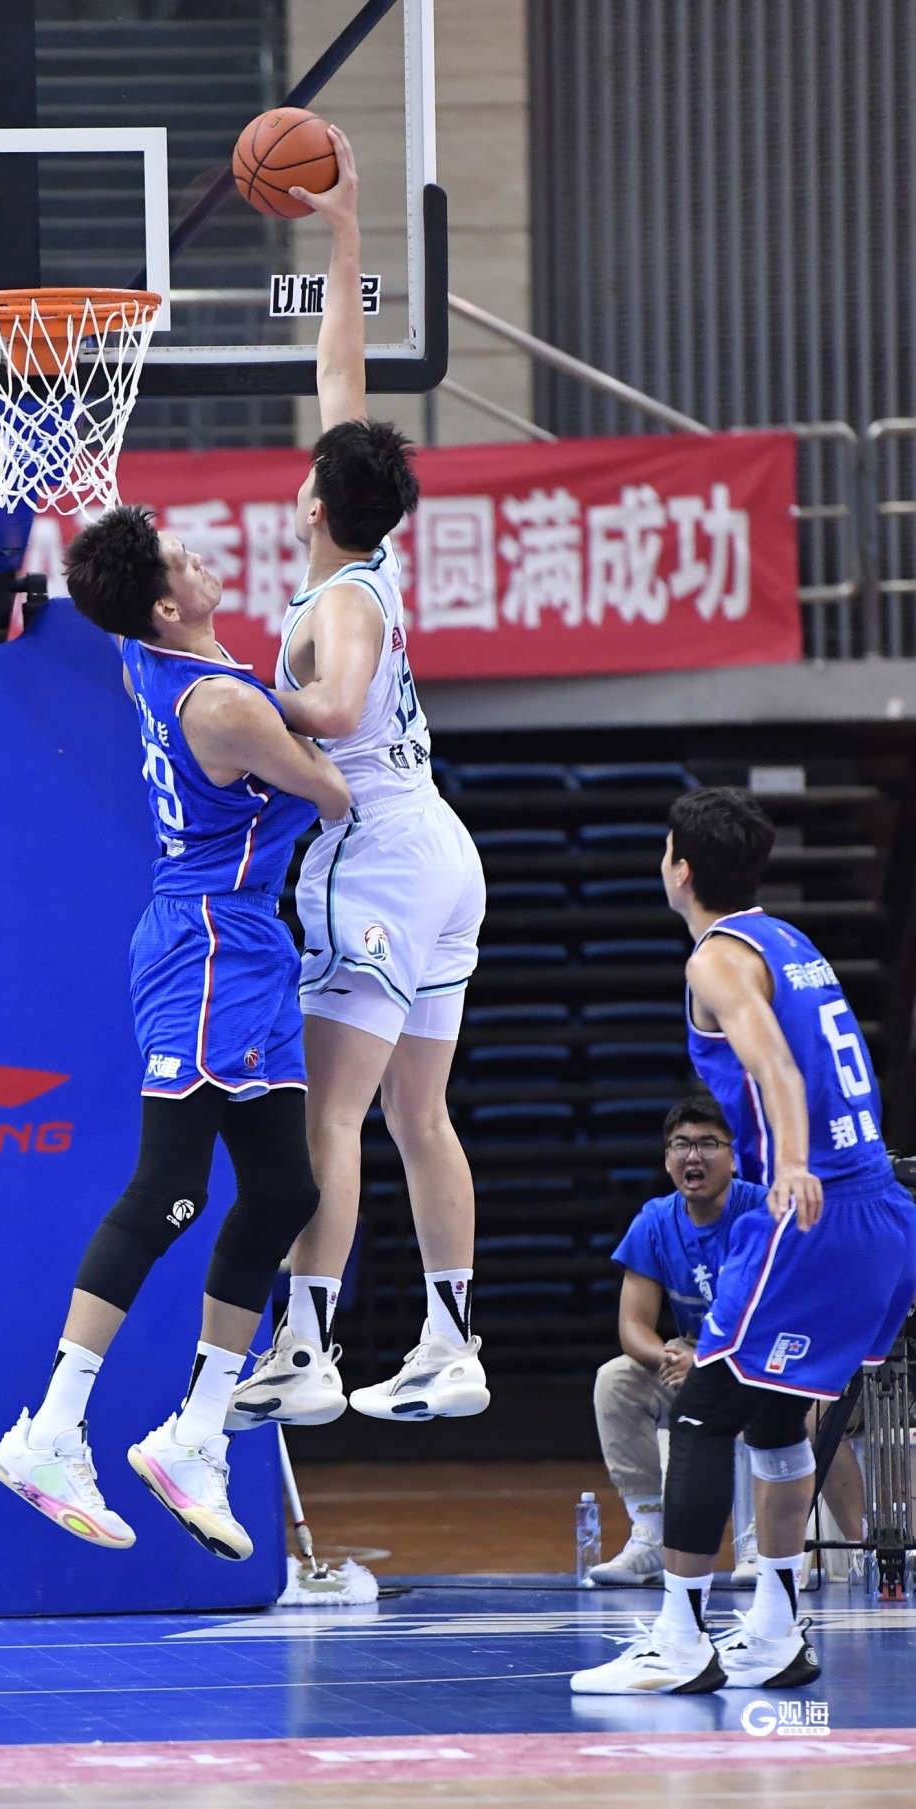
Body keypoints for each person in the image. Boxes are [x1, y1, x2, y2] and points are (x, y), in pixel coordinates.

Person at [0, 506, 350, 1561]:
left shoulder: (150, 657)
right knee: (171, 1188)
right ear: (161, 604)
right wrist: (319, 707)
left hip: (241, 941)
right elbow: (332, 791)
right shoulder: (224, 702)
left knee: (282, 1189)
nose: (199, 558)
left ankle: (195, 1432)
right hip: (207, 944)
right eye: (181, 559)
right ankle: (53, 1428)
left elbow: (271, 718)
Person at [225, 126, 488, 1436]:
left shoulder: (340, 603)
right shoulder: (367, 558)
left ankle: (309, 1347)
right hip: (442, 853)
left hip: (373, 854)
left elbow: (330, 707)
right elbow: (342, 370)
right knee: (416, 1114)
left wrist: (235, 697)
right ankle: (450, 1343)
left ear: (318, 503)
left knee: (328, 1113)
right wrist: (339, 231)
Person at [573, 786, 916, 1694]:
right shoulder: (791, 943)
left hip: (814, 1211)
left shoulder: (717, 959)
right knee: (773, 1414)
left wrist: (792, 1162)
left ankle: (680, 1639)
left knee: (701, 1409)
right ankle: (774, 1627)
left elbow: (774, 1063)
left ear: (681, 869)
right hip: (880, 1213)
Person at [591, 1093, 865, 1589]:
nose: (692, 1155)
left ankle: (776, 1544)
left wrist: (710, 1361)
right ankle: (651, 1533)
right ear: (667, 1159)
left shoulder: (765, 1211)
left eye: (707, 1143)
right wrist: (670, 1355)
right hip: (693, 1355)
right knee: (616, 1381)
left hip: (773, 1355)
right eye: (681, 1145)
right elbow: (632, 1326)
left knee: (768, 1400)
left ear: (735, 1157)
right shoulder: (655, 1221)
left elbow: (789, 1312)